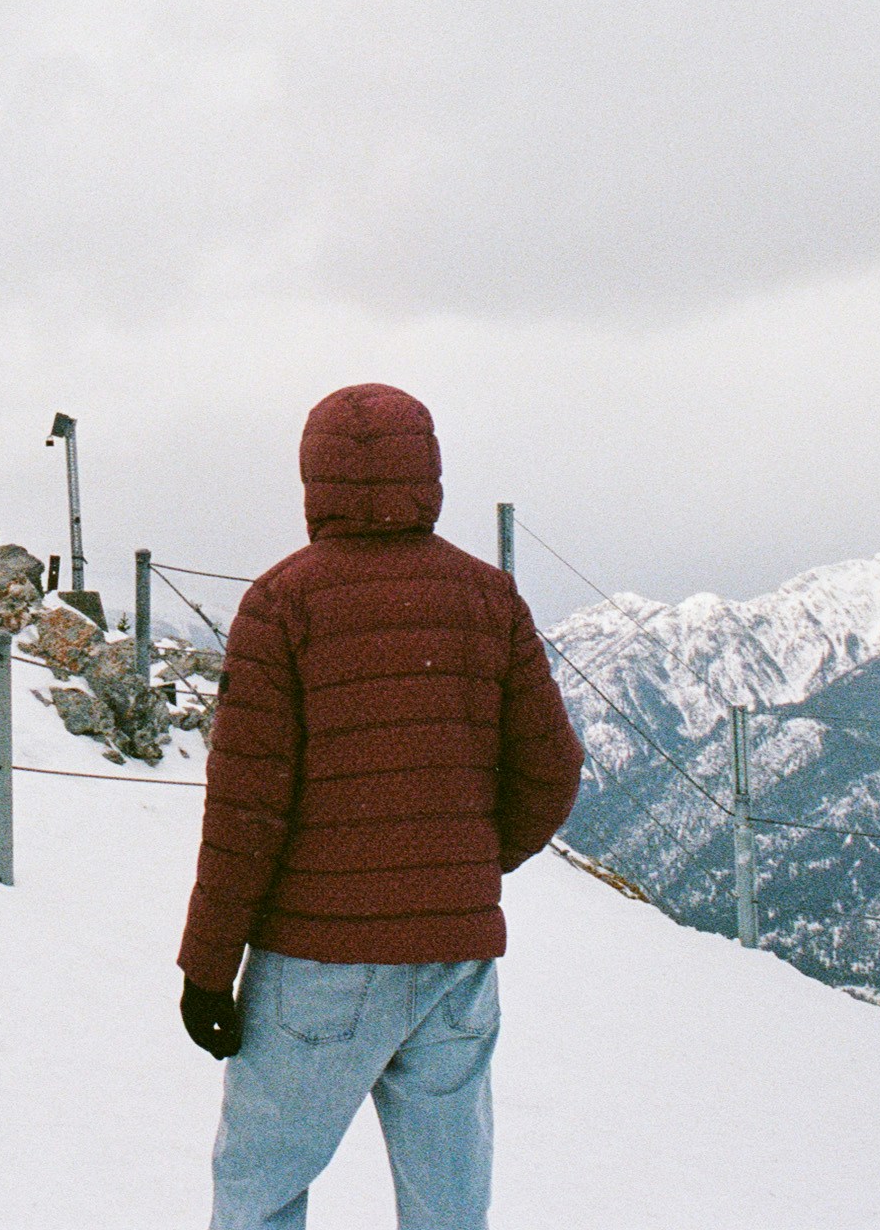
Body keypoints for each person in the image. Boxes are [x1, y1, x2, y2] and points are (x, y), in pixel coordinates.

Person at [177, 382, 585, 1230]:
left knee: (260, 1191)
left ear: (312, 478)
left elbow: (246, 812)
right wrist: (464, 864)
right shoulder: (488, 598)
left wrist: (207, 968)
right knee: (447, 1203)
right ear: (428, 469)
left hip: (315, 957)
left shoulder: (281, 602)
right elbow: (550, 770)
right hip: (453, 957)